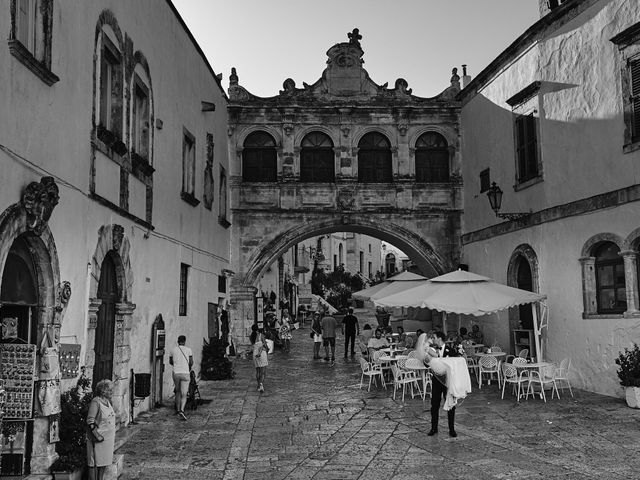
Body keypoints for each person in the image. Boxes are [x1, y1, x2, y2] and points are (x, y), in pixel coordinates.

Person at [425, 331, 461, 437]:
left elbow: (456, 365)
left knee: (450, 405)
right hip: (436, 381)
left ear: (440, 339)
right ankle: (434, 428)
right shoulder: (432, 350)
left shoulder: (451, 350)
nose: (433, 339)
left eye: (434, 338)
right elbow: (427, 365)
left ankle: (452, 429)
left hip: (448, 381)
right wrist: (426, 360)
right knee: (434, 405)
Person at [86, 379, 116, 480]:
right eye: (110, 390)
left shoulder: (108, 401)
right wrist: (96, 435)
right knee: (94, 462)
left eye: (112, 390)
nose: (112, 392)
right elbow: (90, 420)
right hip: (98, 437)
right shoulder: (96, 401)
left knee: (104, 462)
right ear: (103, 391)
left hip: (108, 438)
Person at [169, 335, 193, 420]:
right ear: (185, 341)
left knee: (177, 391)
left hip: (176, 373)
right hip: (185, 373)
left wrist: (177, 365)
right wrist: (187, 367)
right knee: (184, 393)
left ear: (178, 341)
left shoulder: (172, 350)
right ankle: (182, 410)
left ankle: (178, 410)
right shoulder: (188, 350)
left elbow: (171, 362)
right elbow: (191, 362)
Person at [250, 324, 268, 392]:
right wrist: (267, 348)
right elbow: (265, 345)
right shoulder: (261, 335)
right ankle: (261, 384)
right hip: (262, 353)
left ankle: (258, 385)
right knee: (263, 371)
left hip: (255, 353)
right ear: (258, 329)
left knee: (257, 371)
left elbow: (253, 345)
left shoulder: (251, 336)